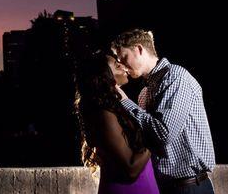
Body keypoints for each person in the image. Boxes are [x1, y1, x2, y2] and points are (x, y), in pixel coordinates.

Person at [111, 29, 216, 194]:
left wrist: (124, 102)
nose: (122, 65)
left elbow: (163, 133)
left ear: (139, 49)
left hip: (189, 187)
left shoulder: (176, 77)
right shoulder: (145, 93)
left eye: (123, 57)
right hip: (165, 187)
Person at [74, 51, 159, 194]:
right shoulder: (104, 113)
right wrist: (155, 133)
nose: (123, 65)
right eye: (116, 64)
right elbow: (130, 169)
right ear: (103, 74)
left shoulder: (114, 107)